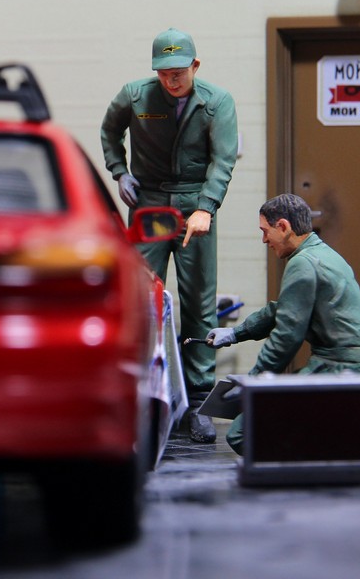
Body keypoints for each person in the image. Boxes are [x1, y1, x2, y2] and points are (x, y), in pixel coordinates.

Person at [101, 28, 238, 443]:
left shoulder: (217, 102)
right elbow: (110, 131)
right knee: (142, 297)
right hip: (153, 206)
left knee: (199, 302)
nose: (171, 81)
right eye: (163, 73)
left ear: (195, 65)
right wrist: (119, 171)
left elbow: (223, 160)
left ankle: (198, 401)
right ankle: (143, 395)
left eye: (178, 72)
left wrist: (206, 207)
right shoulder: (136, 96)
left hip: (194, 207)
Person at [206, 193, 360, 455]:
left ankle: (352, 427)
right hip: (350, 363)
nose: (264, 240)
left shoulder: (303, 264)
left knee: (243, 433)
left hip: (338, 367)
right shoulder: (322, 254)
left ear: (283, 227)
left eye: (265, 231)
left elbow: (286, 336)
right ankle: (352, 417)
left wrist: (254, 381)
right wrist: (235, 333)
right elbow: (281, 310)